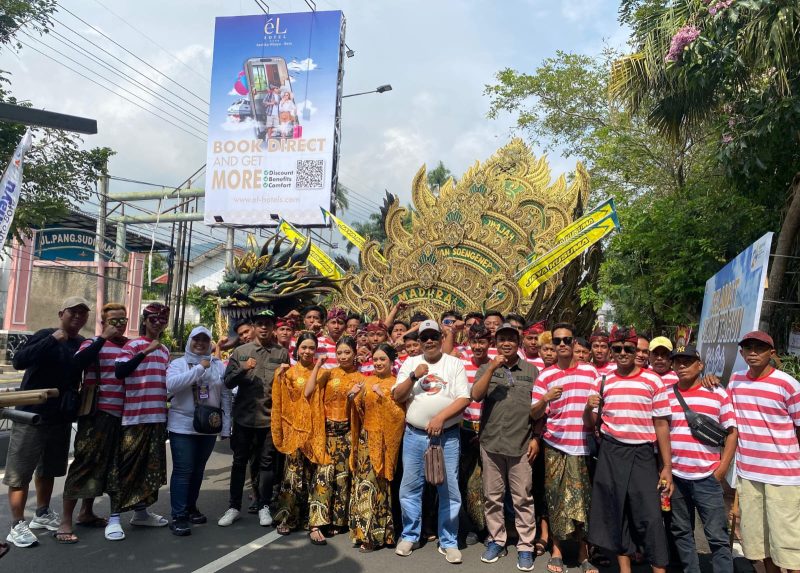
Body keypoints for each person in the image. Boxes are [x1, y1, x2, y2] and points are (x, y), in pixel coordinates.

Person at [585, 326, 672, 573]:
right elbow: (590, 423)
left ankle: (659, 569)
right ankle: (624, 569)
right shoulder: (602, 381)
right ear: (611, 351)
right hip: (611, 453)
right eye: (618, 348)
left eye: (628, 348)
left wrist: (667, 466)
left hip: (643, 454)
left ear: (636, 351)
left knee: (651, 517)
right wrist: (586, 407)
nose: (623, 353)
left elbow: (662, 424)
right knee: (617, 512)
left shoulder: (652, 380)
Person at [4, 297, 89, 548]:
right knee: (20, 472)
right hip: (32, 415)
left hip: (60, 416)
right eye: (73, 312)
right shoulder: (45, 335)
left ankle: (41, 513)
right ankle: (17, 524)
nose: (77, 317)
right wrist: (52, 340)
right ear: (61, 313)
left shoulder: (82, 344)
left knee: (49, 469)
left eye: (83, 313)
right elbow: (19, 361)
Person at [392, 319, 470, 564]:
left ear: (440, 338)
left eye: (433, 337)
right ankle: (409, 535)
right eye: (424, 337)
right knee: (410, 487)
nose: (428, 342)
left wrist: (440, 418)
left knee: (449, 489)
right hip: (415, 435)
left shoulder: (454, 363)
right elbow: (397, 394)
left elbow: (463, 398)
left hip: (446, 436)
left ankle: (448, 541)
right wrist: (414, 376)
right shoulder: (411, 363)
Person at [727, 331, 800, 573]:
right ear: (742, 353)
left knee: (789, 547)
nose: (753, 352)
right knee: (760, 546)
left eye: (759, 348)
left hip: (784, 477)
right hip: (749, 475)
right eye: (748, 348)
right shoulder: (735, 381)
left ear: (771, 352)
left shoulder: (788, 384)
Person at [57, 303, 129, 544]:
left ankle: (86, 512)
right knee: (84, 464)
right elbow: (77, 364)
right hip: (96, 413)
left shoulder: (130, 345)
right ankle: (65, 521)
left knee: (107, 466)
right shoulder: (91, 343)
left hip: (123, 415)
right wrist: (102, 339)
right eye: (113, 321)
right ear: (103, 323)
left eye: (122, 320)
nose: (119, 325)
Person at [531, 323, 600, 573]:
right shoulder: (546, 376)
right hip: (555, 446)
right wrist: (545, 399)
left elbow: (593, 420)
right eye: (557, 340)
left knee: (582, 502)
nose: (561, 344)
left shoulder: (591, 373)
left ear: (574, 344)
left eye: (566, 340)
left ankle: (583, 553)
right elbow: (534, 413)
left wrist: (589, 408)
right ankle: (557, 550)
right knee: (556, 498)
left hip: (581, 446)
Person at [471, 323, 539, 571]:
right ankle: (497, 540)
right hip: (491, 444)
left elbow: (540, 410)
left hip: (521, 445)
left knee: (522, 499)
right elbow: (476, 395)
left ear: (518, 342)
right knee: (492, 498)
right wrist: (491, 367)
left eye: (511, 338)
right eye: (502, 339)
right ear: (495, 343)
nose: (506, 343)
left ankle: (525, 547)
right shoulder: (485, 368)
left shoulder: (531, 371)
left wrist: (537, 438)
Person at [665, 345, 737, 573]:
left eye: (687, 361)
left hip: (708, 477)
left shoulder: (717, 392)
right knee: (682, 532)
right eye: (678, 361)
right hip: (677, 477)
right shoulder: (666, 394)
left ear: (700, 365)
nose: (682, 365)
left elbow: (732, 432)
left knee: (717, 535)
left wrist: (722, 469)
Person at [219, 309, 289, 528]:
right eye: (260, 323)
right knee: (239, 462)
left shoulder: (281, 354)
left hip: (269, 419)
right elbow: (228, 382)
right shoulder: (241, 351)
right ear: (255, 326)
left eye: (268, 323)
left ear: (273, 327)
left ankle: (264, 505)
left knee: (266, 465)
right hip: (244, 418)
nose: (264, 328)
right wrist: (242, 368)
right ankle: (233, 506)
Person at [108, 302, 172, 541]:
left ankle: (141, 513)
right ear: (144, 320)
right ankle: (114, 517)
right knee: (126, 468)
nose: (158, 323)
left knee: (150, 469)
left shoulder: (165, 351)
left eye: (162, 320)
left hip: (157, 417)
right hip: (134, 417)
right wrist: (146, 351)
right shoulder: (132, 345)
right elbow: (120, 371)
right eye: (153, 319)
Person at [166, 326, 232, 536]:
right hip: (182, 425)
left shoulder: (218, 365)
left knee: (197, 470)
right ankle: (179, 515)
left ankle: (191, 506)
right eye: (197, 339)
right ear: (190, 341)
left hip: (208, 425)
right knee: (184, 470)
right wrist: (198, 369)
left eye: (205, 340)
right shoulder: (178, 364)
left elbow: (225, 395)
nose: (200, 343)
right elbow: (171, 386)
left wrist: (226, 425)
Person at [304, 336, 364, 544]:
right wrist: (318, 365)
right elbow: (308, 392)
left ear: (355, 353)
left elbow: (361, 411)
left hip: (347, 433)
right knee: (323, 476)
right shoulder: (328, 373)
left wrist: (353, 397)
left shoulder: (360, 378)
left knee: (343, 478)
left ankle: (338, 521)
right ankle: (316, 524)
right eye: (340, 353)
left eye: (347, 352)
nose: (343, 356)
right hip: (327, 432)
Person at [348, 343, 406, 552]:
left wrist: (383, 396)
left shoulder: (396, 384)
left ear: (392, 361)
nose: (379, 363)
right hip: (366, 439)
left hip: (384, 442)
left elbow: (400, 416)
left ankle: (378, 534)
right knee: (363, 485)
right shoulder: (367, 380)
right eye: (376, 359)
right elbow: (360, 411)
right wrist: (353, 397)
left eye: (383, 359)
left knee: (378, 487)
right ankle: (362, 533)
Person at [271, 332, 327, 535]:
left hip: (315, 429)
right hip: (295, 431)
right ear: (297, 349)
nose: (307, 351)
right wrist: (279, 378)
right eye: (304, 347)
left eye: (312, 348)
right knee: (293, 476)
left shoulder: (321, 372)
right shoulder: (289, 372)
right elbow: (283, 401)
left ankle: (310, 520)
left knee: (313, 476)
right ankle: (287, 517)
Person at [458, 324, 492, 546]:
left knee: (491, 482)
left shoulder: (496, 365)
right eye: (474, 342)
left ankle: (491, 528)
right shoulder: (460, 365)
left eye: (482, 342)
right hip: (465, 428)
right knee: (467, 480)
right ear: (469, 343)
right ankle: (472, 526)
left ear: (490, 343)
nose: (478, 346)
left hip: (491, 429)